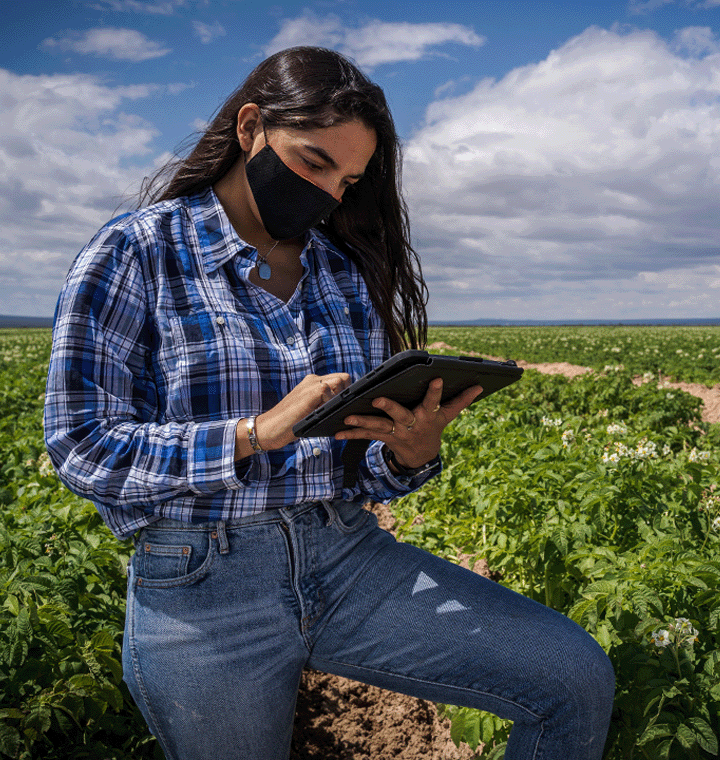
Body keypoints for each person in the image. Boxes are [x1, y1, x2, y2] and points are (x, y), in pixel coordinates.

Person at [44, 46, 614, 760]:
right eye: (314, 163)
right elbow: (81, 444)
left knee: (573, 678)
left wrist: (408, 452)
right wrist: (253, 433)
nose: (328, 194)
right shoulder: (136, 253)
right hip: (203, 586)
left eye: (346, 180)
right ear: (251, 127)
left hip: (348, 556)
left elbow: (360, 464)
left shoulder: (340, 274)